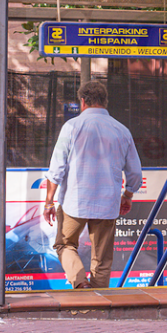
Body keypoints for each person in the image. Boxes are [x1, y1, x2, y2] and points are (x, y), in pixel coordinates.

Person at [42, 81, 142, 289]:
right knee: (102, 258)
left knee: (64, 244)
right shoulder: (121, 130)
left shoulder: (71, 127)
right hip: (108, 203)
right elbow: (134, 173)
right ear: (105, 102)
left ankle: (80, 284)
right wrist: (128, 195)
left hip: (74, 201)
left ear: (82, 101)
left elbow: (57, 168)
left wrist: (49, 202)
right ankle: (99, 304)